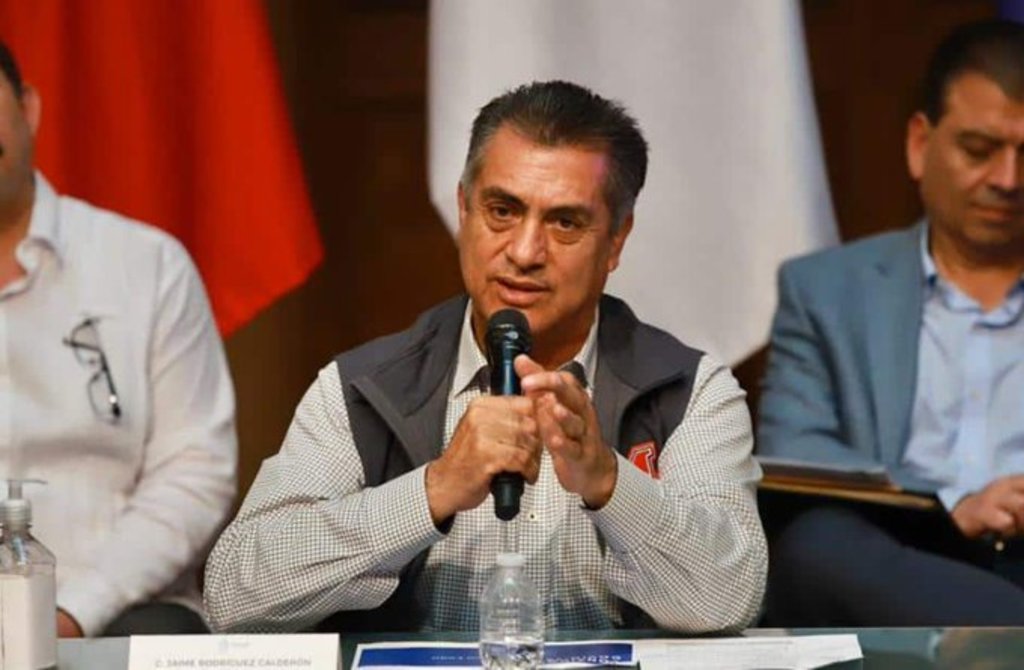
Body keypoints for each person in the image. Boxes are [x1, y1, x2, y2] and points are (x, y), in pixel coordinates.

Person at [204, 80, 766, 633]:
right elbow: (234, 594)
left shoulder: (689, 391)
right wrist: (434, 489)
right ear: (464, 209)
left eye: (565, 223)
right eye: (502, 210)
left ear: (616, 241)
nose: (524, 252)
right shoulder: (361, 390)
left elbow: (729, 599)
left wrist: (609, 481)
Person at [758, 19, 1024, 625]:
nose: (1008, 181)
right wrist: (953, 505)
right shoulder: (826, 290)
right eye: (979, 151)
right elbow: (796, 456)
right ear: (919, 144)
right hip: (897, 561)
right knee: (815, 545)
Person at [0, 40, 237, 635]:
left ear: (28, 109)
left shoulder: (146, 265)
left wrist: (73, 611)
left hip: (117, 613)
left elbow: (195, 473)